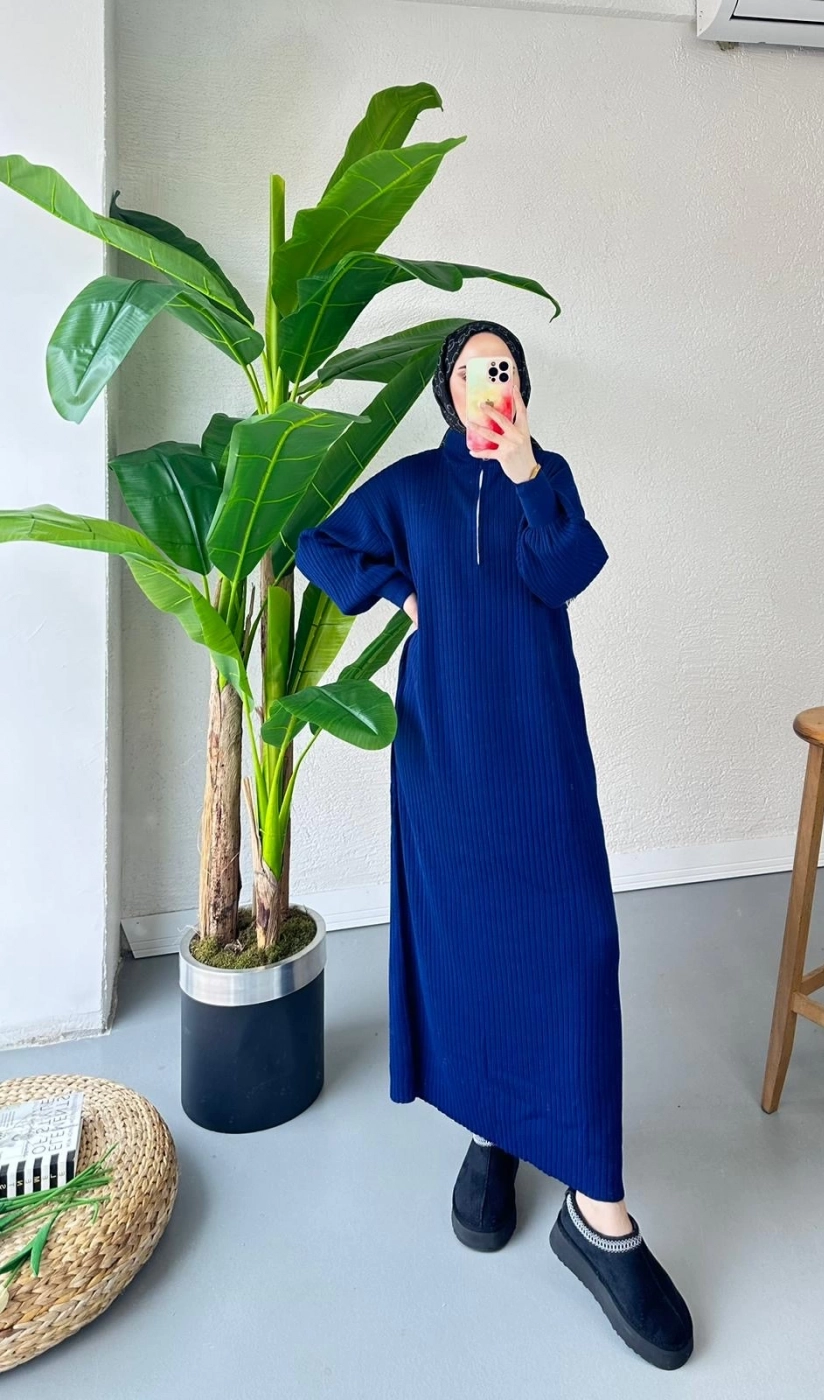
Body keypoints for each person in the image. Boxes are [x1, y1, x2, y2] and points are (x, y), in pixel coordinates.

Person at [295, 320, 694, 1370]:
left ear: (520, 388)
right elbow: (317, 543)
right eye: (475, 369)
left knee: (578, 945)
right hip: (447, 755)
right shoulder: (408, 489)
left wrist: (522, 474)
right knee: (472, 943)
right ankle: (492, 1128)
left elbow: (570, 570)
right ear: (449, 390)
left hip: (539, 744)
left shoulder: (543, 475)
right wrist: (398, 592)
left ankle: (595, 1209)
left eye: (505, 368)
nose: (492, 381)